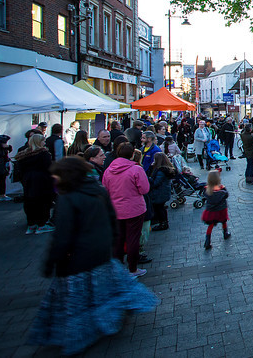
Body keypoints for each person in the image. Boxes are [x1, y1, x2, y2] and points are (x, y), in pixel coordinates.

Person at [27, 156, 157, 355]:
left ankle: (83, 332)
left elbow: (63, 235)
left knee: (79, 301)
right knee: (105, 292)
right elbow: (111, 218)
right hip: (100, 253)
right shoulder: (98, 190)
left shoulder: (68, 197)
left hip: (78, 259)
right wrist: (112, 242)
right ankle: (112, 317)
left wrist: (51, 262)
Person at [102, 143, 151, 277]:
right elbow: (145, 189)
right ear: (132, 154)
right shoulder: (136, 169)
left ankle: (118, 269)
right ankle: (133, 268)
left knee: (118, 239)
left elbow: (105, 189)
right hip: (134, 209)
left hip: (116, 210)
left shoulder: (108, 170)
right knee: (133, 239)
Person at [15, 134, 56, 235]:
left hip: (28, 181)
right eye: (43, 141)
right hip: (42, 181)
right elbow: (48, 168)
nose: (44, 143)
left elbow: (20, 170)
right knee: (43, 202)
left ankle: (31, 224)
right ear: (39, 142)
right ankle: (42, 225)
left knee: (30, 202)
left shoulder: (23, 155)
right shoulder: (43, 154)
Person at [202, 170, 231, 249]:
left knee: (211, 224)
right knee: (223, 221)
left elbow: (204, 196)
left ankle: (207, 241)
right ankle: (225, 233)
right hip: (221, 209)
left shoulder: (206, 189)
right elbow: (226, 195)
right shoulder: (222, 188)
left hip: (211, 210)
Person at [148, 152, 175, 232]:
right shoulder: (166, 169)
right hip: (163, 192)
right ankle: (164, 222)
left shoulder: (160, 171)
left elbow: (156, 183)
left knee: (159, 208)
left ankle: (163, 223)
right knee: (161, 208)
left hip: (159, 193)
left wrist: (149, 178)